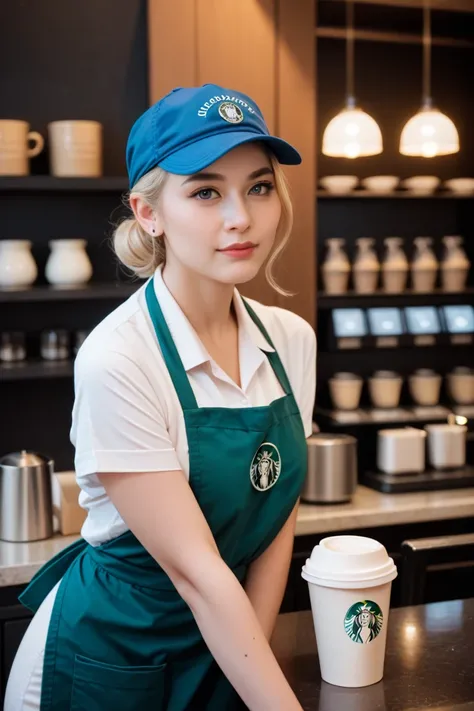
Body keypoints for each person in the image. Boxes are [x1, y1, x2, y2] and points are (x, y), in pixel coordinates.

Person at [4, 83, 316, 711]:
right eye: (205, 192)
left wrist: (243, 676)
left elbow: (275, 526)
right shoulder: (119, 357)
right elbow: (197, 576)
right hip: (110, 660)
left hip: (226, 645)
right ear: (149, 214)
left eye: (258, 186)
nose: (241, 218)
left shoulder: (291, 340)